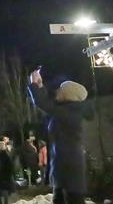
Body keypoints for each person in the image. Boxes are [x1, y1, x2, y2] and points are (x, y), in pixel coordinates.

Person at [28, 68, 94, 204]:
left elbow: (44, 104)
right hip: (64, 167)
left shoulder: (70, 113)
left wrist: (35, 85)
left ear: (68, 94)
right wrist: (40, 87)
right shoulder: (67, 111)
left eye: (61, 89)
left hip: (69, 169)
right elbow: (50, 105)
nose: (57, 90)